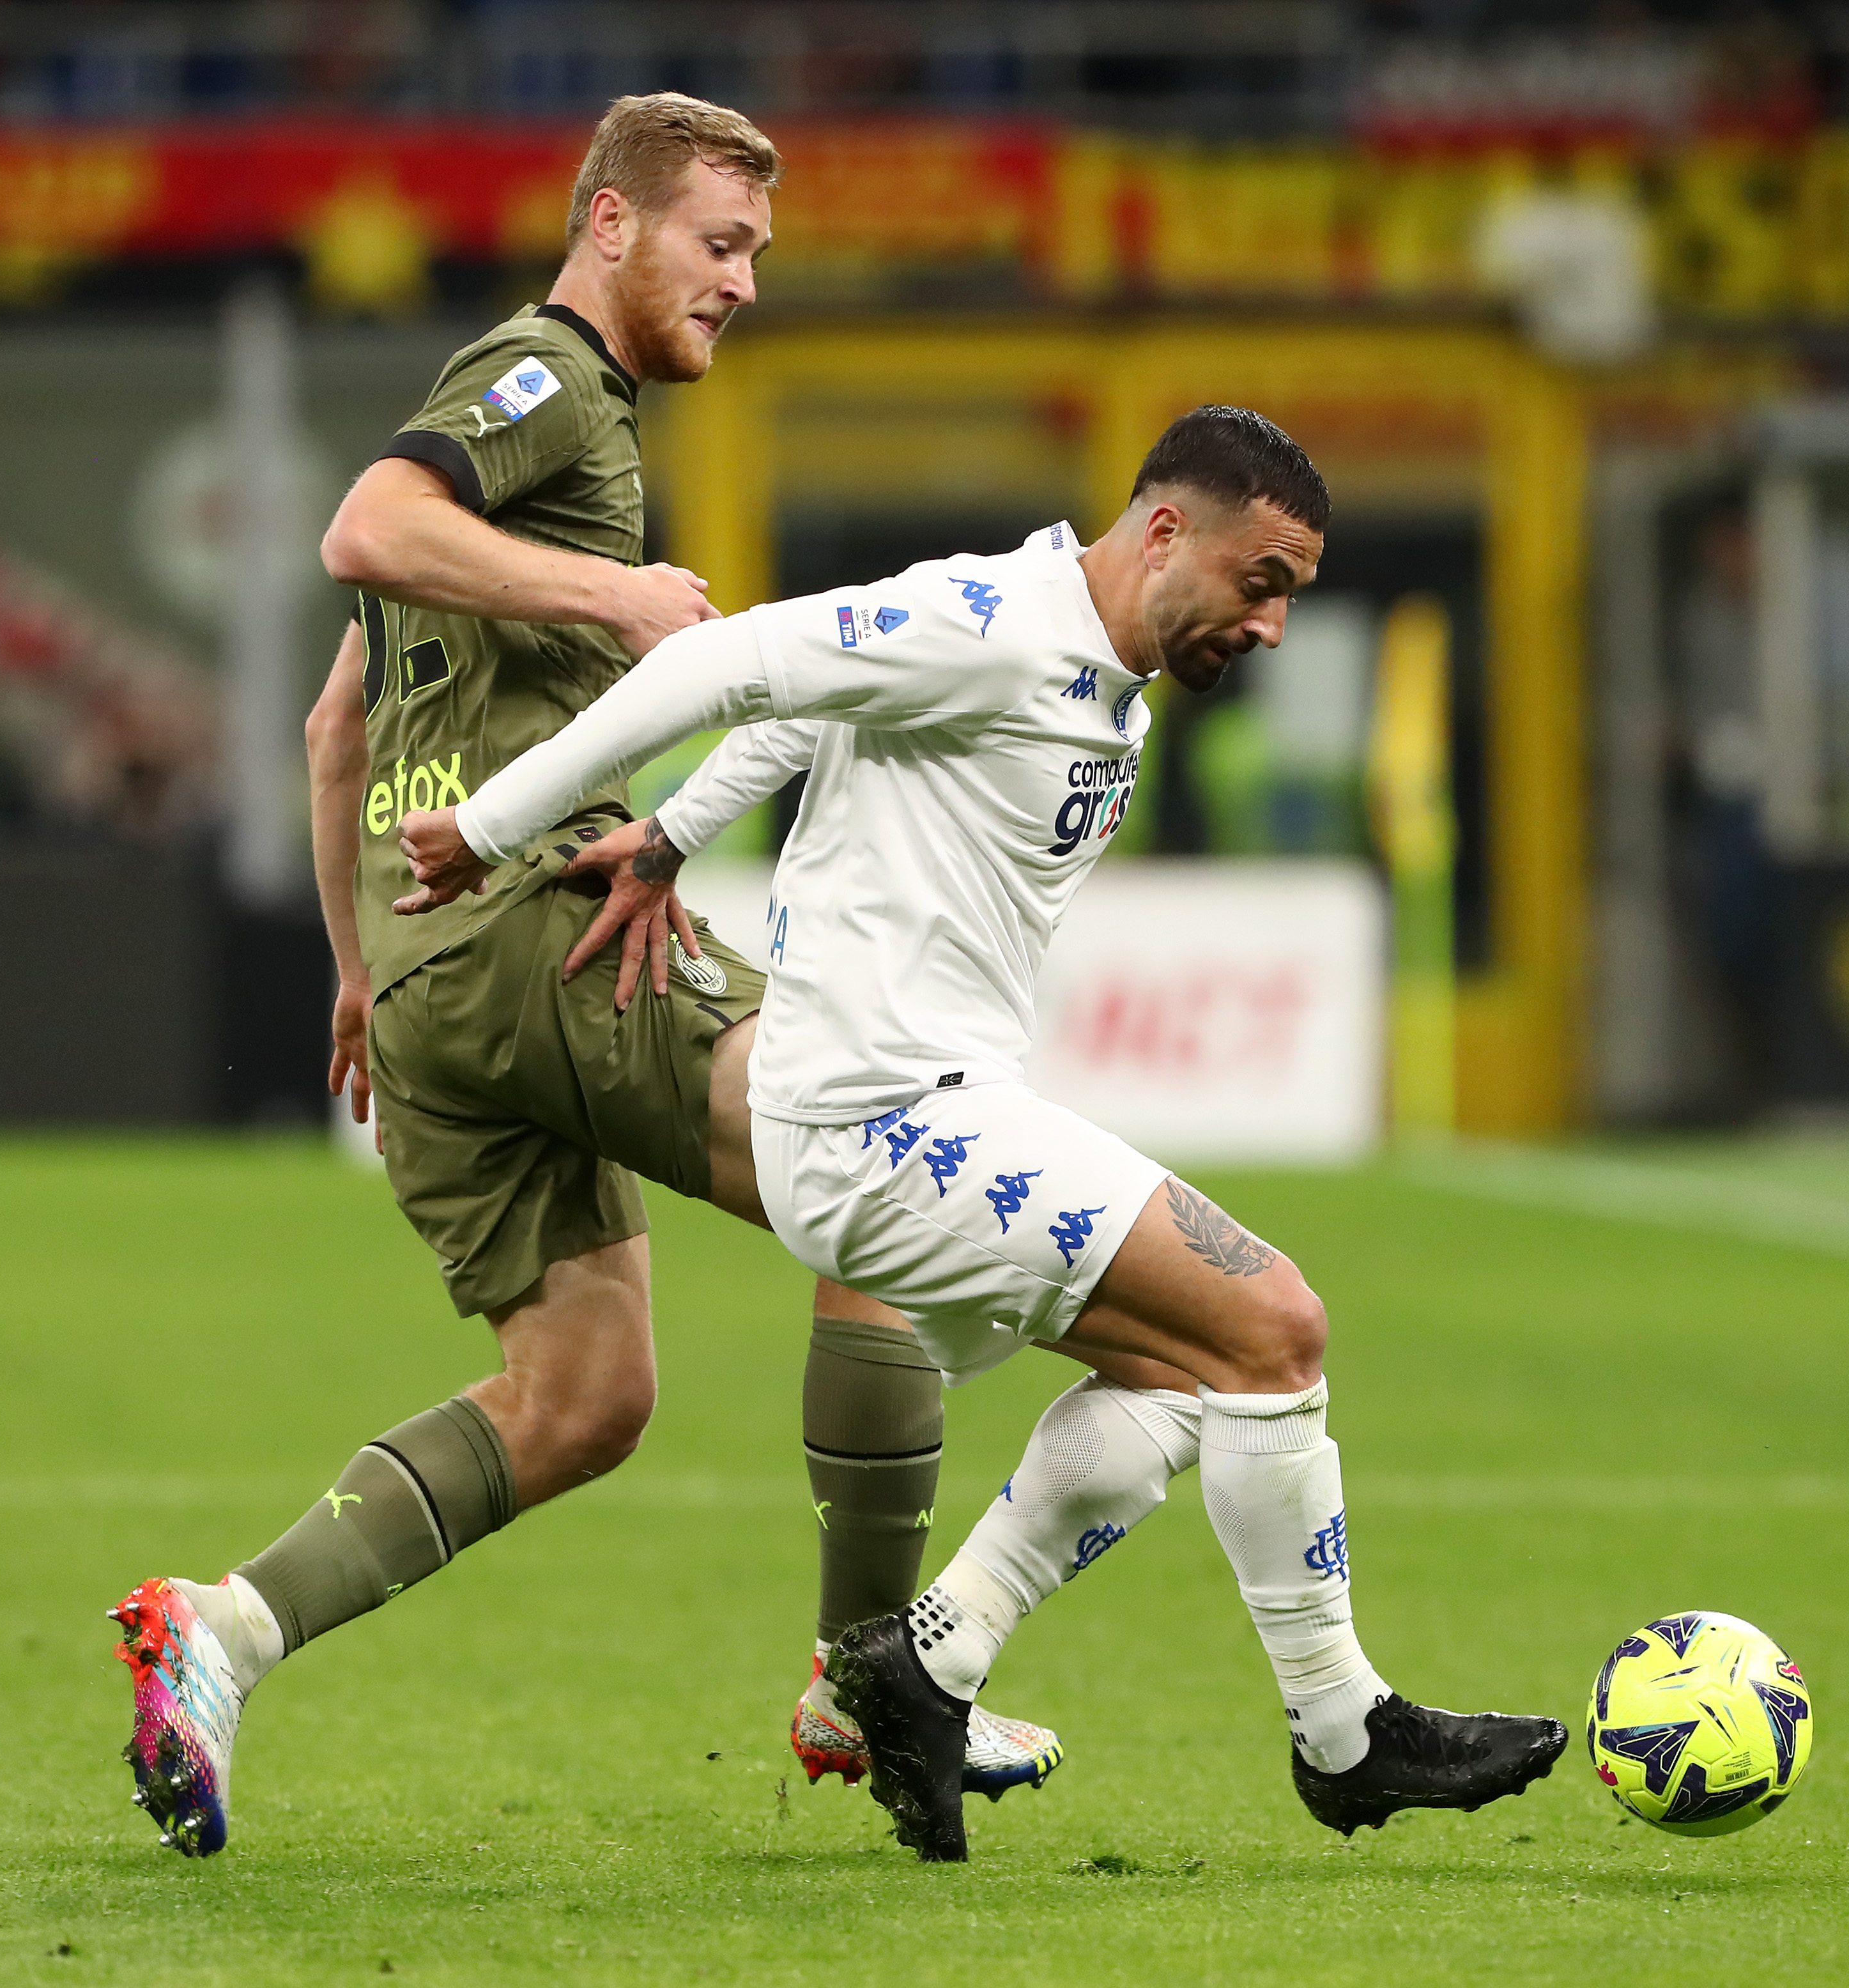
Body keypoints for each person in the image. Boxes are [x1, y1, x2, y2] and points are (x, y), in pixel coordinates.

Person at [397, 405, 1571, 1863]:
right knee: (1276, 1323)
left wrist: (674, 835)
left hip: (933, 1112)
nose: (1271, 625)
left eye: (1292, 597)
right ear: (1161, 530)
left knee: (1189, 1382)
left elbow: (815, 709)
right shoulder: (989, 619)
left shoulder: (1103, 680)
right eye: (1260, 581)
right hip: (877, 1121)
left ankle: (925, 1660)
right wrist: (497, 823)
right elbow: (719, 659)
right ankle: (1343, 1733)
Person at [107, 91, 1057, 1862]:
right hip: (544, 921)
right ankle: (876, 1672)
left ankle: (221, 1632)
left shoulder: (524, 447)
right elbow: (365, 527)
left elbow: (337, 725)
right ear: (610, 226)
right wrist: (616, 603)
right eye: (721, 243)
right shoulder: (544, 383)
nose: (745, 284)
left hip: (425, 978)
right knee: (890, 1181)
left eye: (758, 251)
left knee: (583, 1397)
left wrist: (355, 970)